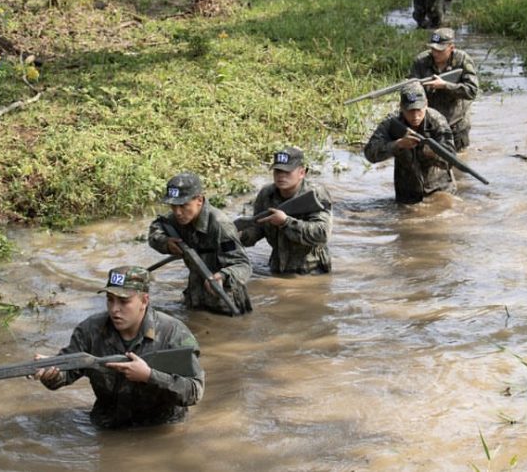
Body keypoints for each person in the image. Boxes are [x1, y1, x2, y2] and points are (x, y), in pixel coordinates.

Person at [34, 266, 205, 429]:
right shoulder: (90, 330)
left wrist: (149, 376)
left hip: (161, 429)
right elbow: (66, 373)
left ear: (144, 300)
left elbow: (194, 391)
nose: (115, 309)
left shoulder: (172, 333)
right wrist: (51, 373)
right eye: (110, 300)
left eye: (124, 301)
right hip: (109, 426)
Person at [149, 172, 253, 315]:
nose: (177, 212)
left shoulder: (221, 226)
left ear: (199, 200)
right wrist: (165, 243)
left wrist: (223, 276)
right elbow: (157, 227)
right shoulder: (177, 219)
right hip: (195, 298)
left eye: (183, 206)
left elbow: (243, 265)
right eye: (173, 206)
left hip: (225, 302)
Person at [239, 147, 332, 275]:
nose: (281, 176)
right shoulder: (266, 194)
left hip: (313, 272)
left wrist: (286, 222)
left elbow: (322, 233)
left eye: (287, 172)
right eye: (277, 171)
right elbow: (257, 228)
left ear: (302, 173)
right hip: (277, 268)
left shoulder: (316, 195)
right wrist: (239, 236)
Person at [364, 81, 456, 203]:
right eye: (410, 110)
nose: (415, 116)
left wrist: (432, 152)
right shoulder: (392, 122)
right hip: (407, 193)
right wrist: (398, 144)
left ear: (426, 104)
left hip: (439, 190)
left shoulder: (437, 122)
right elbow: (370, 153)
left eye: (419, 110)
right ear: (401, 107)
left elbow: (451, 158)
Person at [409, 27, 479, 152]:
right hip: (430, 124)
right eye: (433, 49)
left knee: (458, 161)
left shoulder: (463, 60)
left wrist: (445, 85)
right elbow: (411, 93)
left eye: (439, 50)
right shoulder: (421, 61)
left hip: (457, 124)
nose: (435, 53)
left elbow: (472, 91)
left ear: (451, 48)